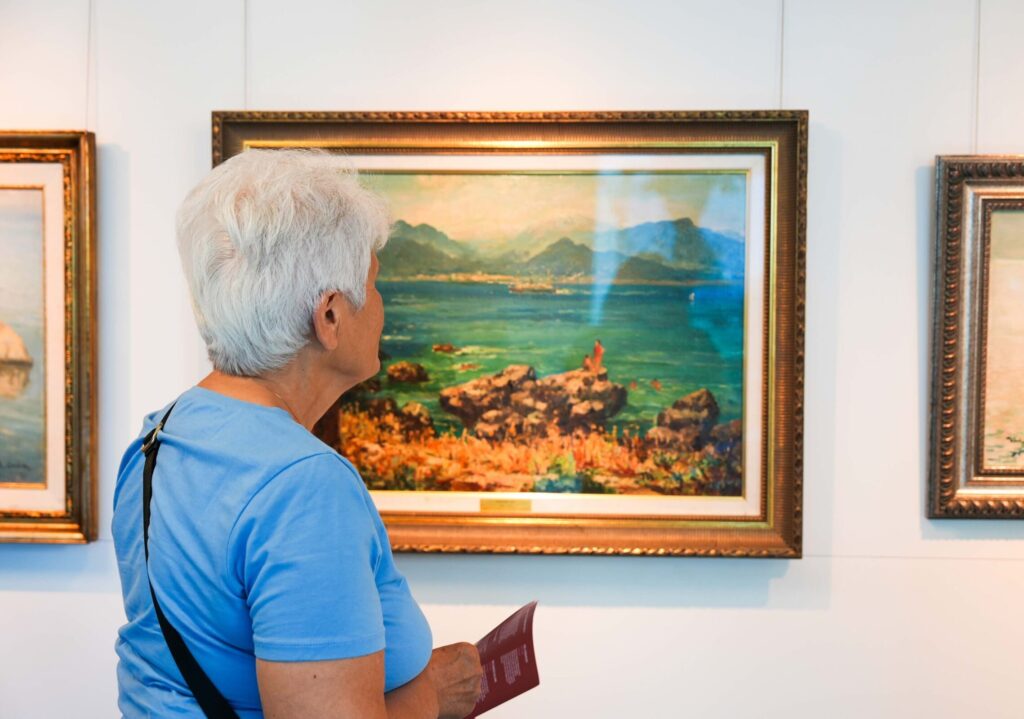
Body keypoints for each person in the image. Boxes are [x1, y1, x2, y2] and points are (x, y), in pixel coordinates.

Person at [111, 149, 482, 718]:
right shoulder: (305, 487)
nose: (381, 306)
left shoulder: (155, 440)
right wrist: (434, 692)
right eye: (373, 283)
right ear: (329, 316)